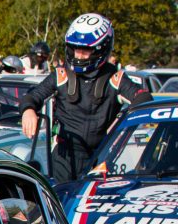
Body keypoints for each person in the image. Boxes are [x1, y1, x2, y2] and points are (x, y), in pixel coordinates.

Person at [19, 14, 151, 182]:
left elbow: (144, 99)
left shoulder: (115, 78)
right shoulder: (61, 75)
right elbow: (32, 97)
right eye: (75, 48)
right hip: (64, 155)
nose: (79, 55)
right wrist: (28, 110)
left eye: (86, 50)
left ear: (101, 49)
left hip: (101, 158)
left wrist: (119, 126)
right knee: (62, 202)